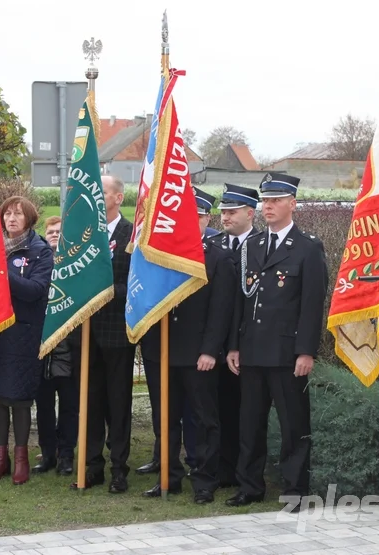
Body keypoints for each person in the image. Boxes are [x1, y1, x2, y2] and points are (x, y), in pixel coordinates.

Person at [225, 172, 328, 507]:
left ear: (292, 204)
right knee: (249, 424)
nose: (267, 207)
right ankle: (250, 487)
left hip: (287, 352)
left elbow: (312, 305)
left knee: (293, 425)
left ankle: (296, 489)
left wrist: (306, 351)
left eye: (275, 201)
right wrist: (234, 345)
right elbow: (240, 301)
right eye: (265, 201)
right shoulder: (252, 246)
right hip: (253, 350)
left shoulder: (307, 248)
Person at [140, 187, 235, 504]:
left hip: (198, 354)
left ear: (206, 219)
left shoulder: (218, 258)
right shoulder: (159, 254)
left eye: (196, 216)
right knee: (163, 419)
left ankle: (204, 481)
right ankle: (168, 476)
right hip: (161, 350)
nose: (188, 222)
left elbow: (221, 310)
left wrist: (210, 350)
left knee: (204, 420)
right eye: (182, 216)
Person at [0, 196, 54, 486]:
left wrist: (1, 271)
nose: (11, 219)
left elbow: (36, 290)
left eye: (18, 214)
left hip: (22, 334)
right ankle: (0, 458)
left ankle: (21, 457)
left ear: (29, 219)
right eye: (7, 213)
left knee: (19, 399)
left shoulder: (39, 251)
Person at [72, 175, 134, 493]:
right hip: (86, 332)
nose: (98, 197)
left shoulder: (130, 233)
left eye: (103, 192)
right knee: (91, 401)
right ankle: (92, 465)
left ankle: (119, 468)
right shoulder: (84, 234)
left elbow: (138, 283)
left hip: (117, 332)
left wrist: (108, 290)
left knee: (119, 402)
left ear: (118, 198)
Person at [207, 183, 260, 487]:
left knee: (245, 412)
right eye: (223, 212)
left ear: (250, 212)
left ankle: (246, 471)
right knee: (220, 410)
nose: (224, 217)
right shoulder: (215, 244)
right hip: (216, 343)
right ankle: (223, 469)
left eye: (231, 211)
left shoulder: (259, 244)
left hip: (246, 343)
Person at [34, 216, 80, 476]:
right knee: (43, 405)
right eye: (50, 231)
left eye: (59, 231)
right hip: (42, 347)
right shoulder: (38, 262)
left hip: (69, 348)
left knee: (69, 406)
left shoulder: (76, 264)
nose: (54, 235)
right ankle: (48, 453)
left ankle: (66, 455)